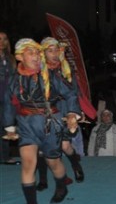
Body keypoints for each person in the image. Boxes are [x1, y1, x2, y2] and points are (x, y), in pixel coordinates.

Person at [3, 38, 80, 204]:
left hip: (48, 124)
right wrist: (9, 126)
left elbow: (70, 93)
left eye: (38, 52)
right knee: (29, 163)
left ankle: (61, 186)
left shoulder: (50, 76)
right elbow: (8, 103)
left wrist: (71, 114)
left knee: (53, 162)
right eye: (31, 52)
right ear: (20, 56)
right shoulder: (14, 80)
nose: (37, 56)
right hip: (26, 125)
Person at [35, 37, 85, 191]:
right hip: (42, 112)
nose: (54, 54)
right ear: (43, 53)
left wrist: (74, 112)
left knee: (64, 145)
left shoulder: (65, 68)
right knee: (40, 147)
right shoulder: (36, 70)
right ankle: (43, 180)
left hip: (63, 110)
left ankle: (76, 166)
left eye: (56, 50)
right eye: (50, 51)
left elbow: (73, 92)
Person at [0, 31, 19, 165]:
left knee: (7, 126)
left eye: (4, 39)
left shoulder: (11, 58)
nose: (1, 41)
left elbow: (15, 77)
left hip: (7, 95)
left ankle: (5, 157)